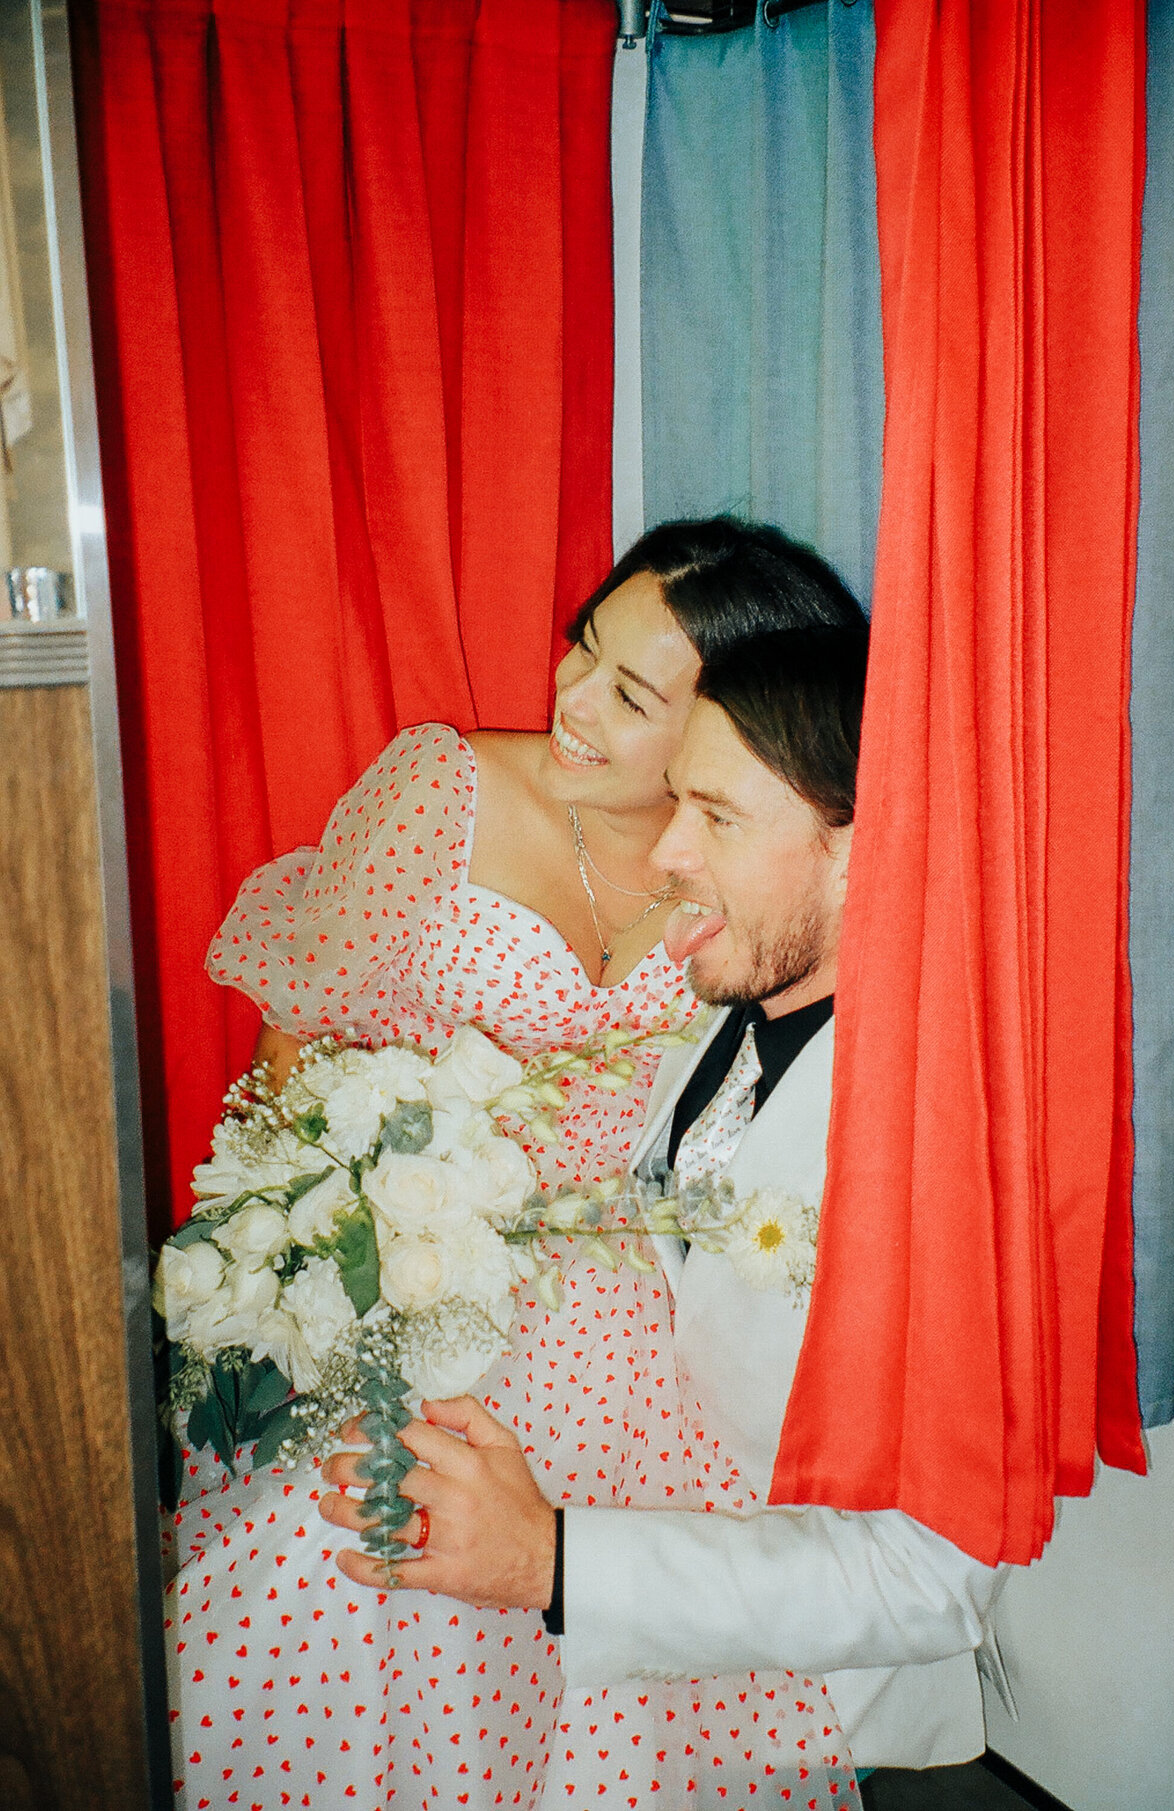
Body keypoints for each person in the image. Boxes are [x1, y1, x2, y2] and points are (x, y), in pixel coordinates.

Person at [165, 520, 869, 1809]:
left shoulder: (749, 872)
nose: (575, 704)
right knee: (355, 1557)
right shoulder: (447, 788)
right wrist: (285, 1255)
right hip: (407, 1276)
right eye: (582, 651)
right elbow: (293, 1042)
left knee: (600, 1659)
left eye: (632, 694)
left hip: (627, 1311)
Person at [320, 620, 1008, 1786]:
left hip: (768, 1674)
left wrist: (553, 1558)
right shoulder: (724, 1008)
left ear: (867, 844)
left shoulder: (942, 1152)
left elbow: (927, 1578)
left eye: (720, 818)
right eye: (678, 803)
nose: (666, 855)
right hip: (615, 1540)